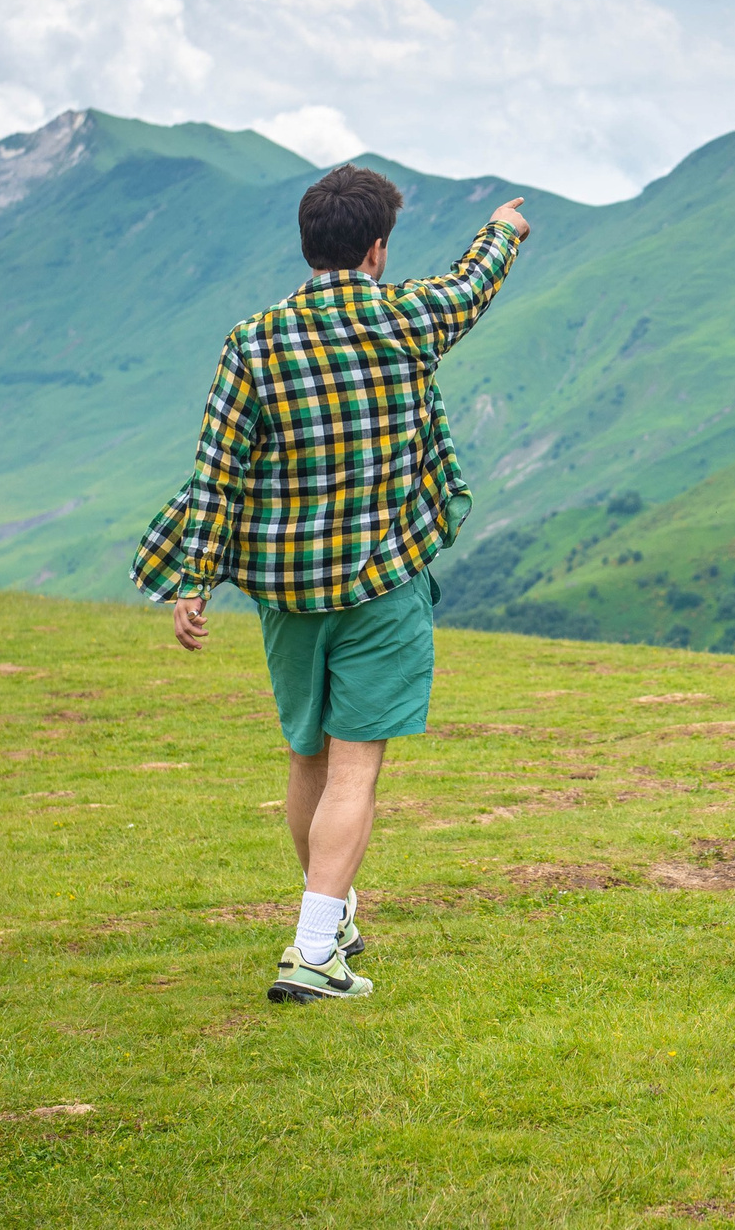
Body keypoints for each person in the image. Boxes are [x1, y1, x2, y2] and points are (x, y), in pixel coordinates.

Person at [132, 164, 529, 1004]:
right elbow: (472, 285)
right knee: (355, 770)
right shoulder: (406, 318)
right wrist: (502, 227)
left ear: (309, 244)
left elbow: (216, 472)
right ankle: (313, 949)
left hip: (286, 591)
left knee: (307, 758)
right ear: (377, 248)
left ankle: (333, 917)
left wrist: (194, 577)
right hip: (383, 580)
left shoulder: (254, 341)